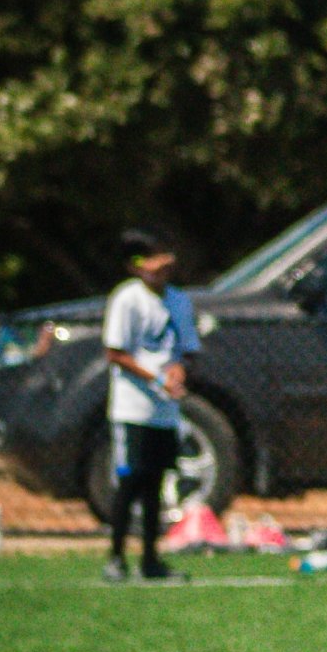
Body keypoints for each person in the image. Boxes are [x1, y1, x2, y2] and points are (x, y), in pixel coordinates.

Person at [100, 229, 201, 584]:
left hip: (164, 411)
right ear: (135, 266)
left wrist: (178, 370)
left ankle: (150, 560)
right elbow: (115, 352)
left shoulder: (178, 301)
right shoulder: (127, 299)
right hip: (133, 408)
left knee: (157, 484)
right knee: (130, 483)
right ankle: (115, 557)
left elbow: (187, 349)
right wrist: (153, 378)